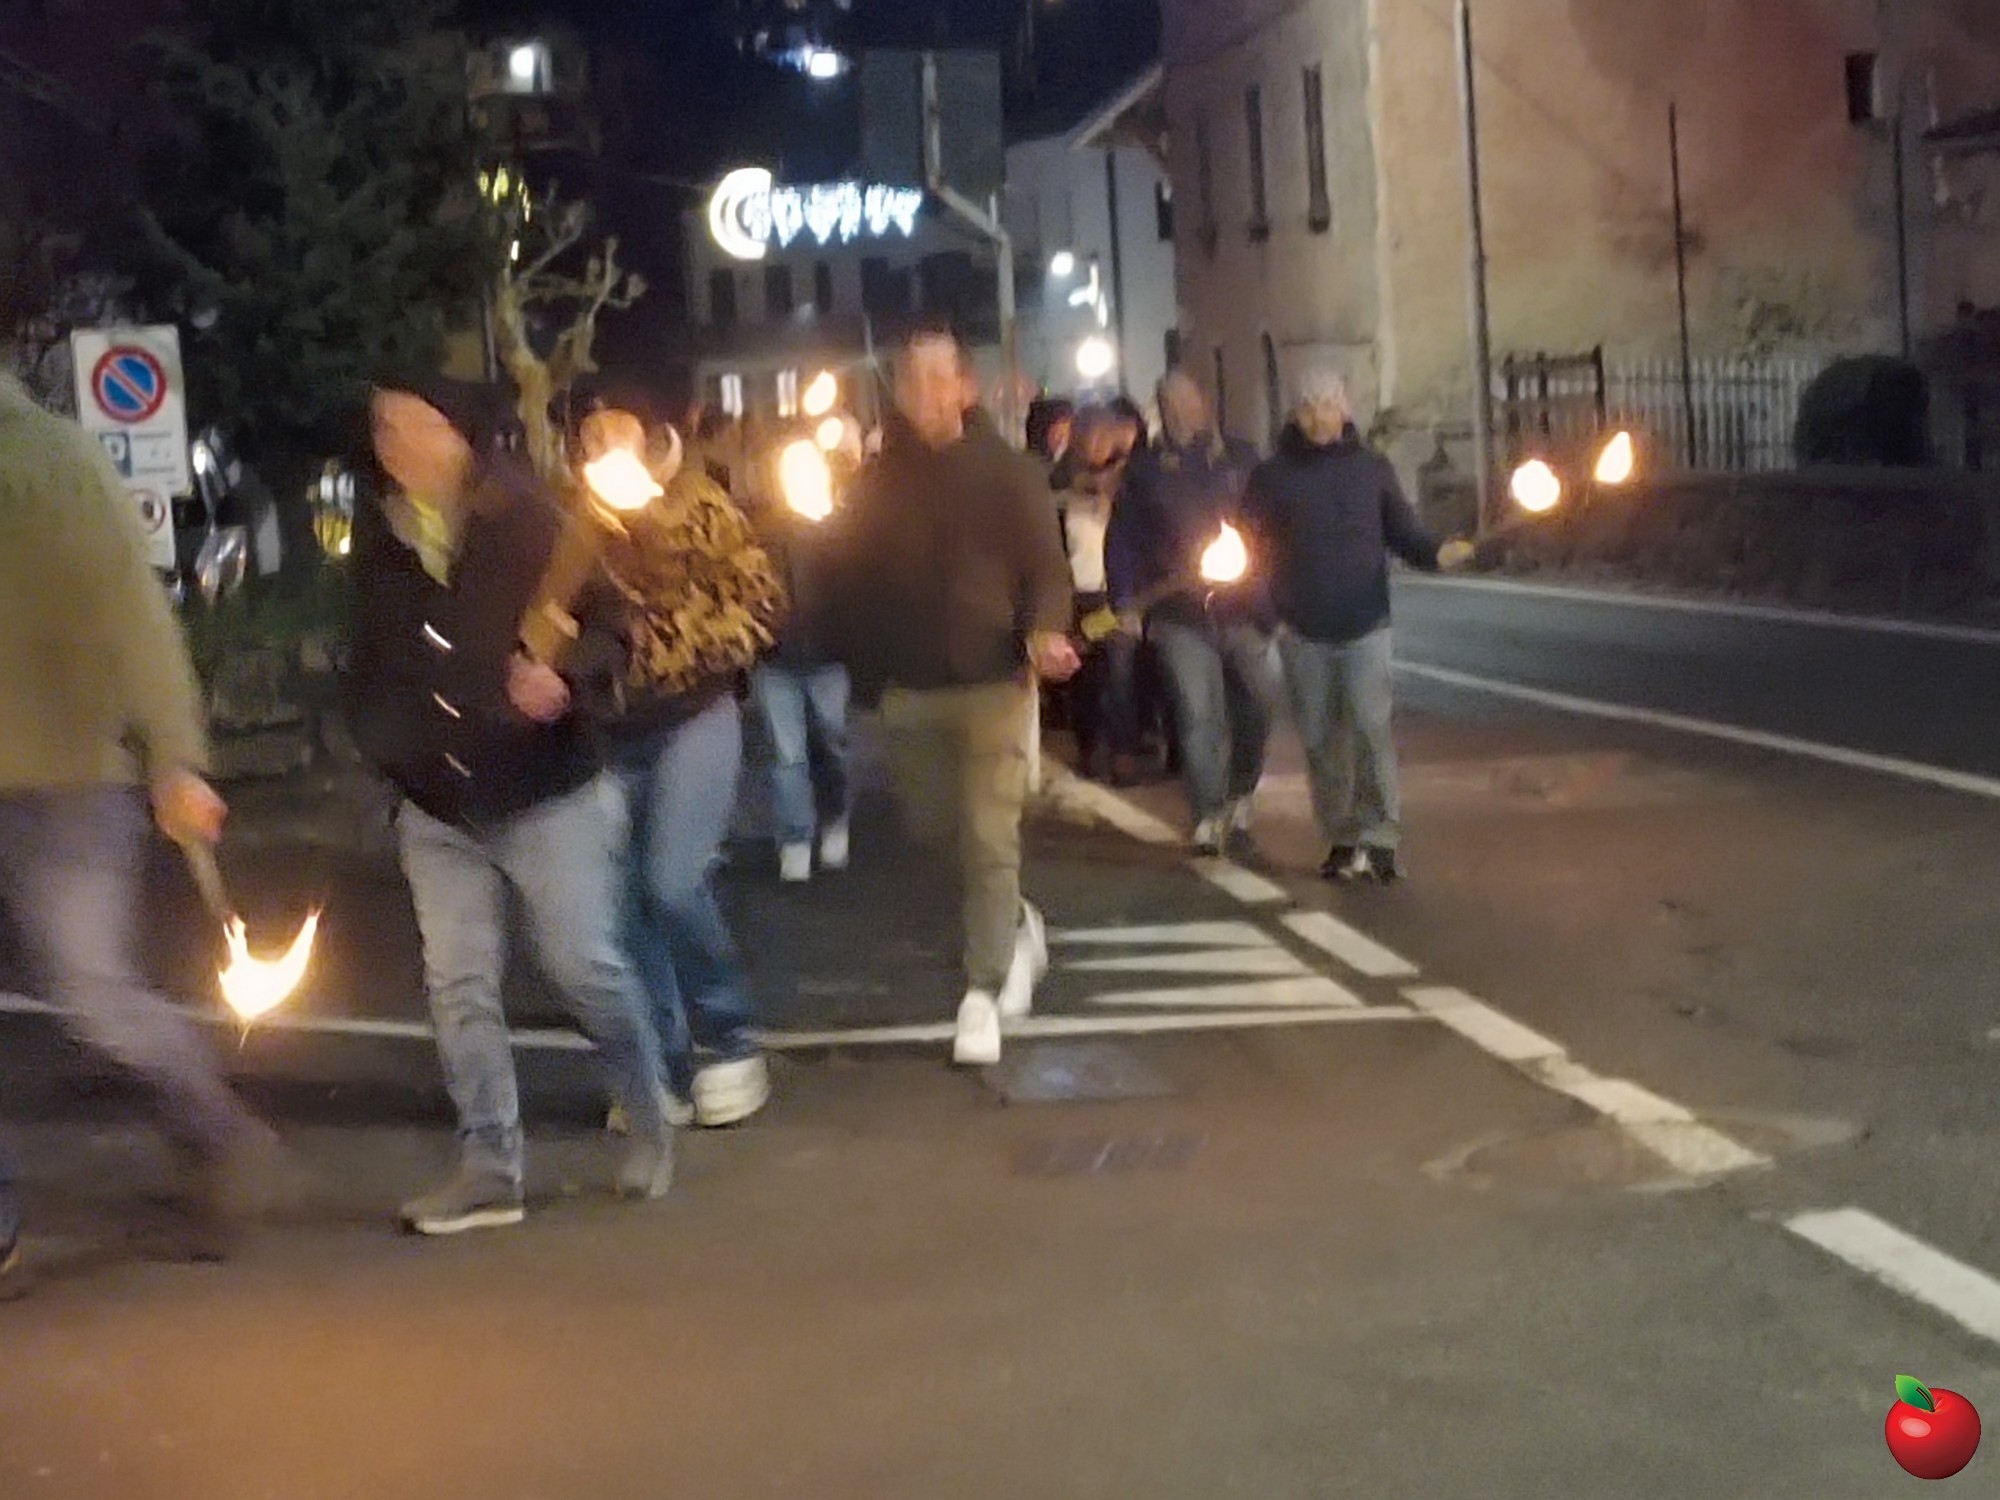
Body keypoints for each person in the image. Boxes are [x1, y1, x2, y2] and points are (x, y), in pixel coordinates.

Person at [344, 376, 676, 1235]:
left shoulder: (531, 521)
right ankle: (490, 1165)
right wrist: (392, 753)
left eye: (415, 423)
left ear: (459, 433)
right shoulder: (380, 541)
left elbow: (613, 628)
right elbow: (364, 663)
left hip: (545, 790)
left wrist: (566, 683)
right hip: (437, 805)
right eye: (384, 427)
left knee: (583, 969)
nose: (396, 442)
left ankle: (647, 1111)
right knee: (458, 985)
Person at [0, 373, 277, 1287]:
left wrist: (174, 756)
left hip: (63, 776)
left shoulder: (51, 460)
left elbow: (135, 616)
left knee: (95, 994)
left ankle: (216, 1131)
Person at [834, 327, 1079, 1066]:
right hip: (910, 687)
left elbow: (1047, 568)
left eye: (938, 378)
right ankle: (1015, 924)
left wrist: (1043, 633)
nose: (924, 393)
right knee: (935, 830)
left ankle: (983, 989)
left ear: (966, 387)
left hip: (993, 681)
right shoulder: (879, 478)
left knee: (989, 835)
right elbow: (853, 571)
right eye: (911, 379)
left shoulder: (1008, 472)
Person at [578, 410, 786, 1127]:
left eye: (618, 435)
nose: (604, 449)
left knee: (671, 880)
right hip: (609, 731)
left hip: (693, 714)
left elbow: (760, 602)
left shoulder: (698, 505)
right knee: (623, 903)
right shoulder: (575, 523)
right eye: (591, 439)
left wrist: (677, 649)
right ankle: (658, 1063)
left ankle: (729, 1036)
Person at [1244, 370, 1471, 882]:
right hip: (1302, 629)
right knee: (1322, 740)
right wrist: (1268, 613)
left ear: (1345, 410)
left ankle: (1381, 836)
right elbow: (1248, 549)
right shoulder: (1271, 477)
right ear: (1295, 415)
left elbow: (1403, 532)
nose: (1319, 417)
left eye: (1328, 405)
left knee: (1371, 729)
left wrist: (1436, 552)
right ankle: (1342, 838)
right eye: (1309, 407)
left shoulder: (1372, 469)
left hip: (1366, 623)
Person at [1106, 369, 1275, 855]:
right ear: (1161, 408)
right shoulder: (1146, 470)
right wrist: (1126, 601)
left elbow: (1272, 526)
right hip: (1180, 615)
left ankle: (1241, 791)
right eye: (1169, 401)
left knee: (1259, 702)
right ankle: (1207, 814)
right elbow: (1124, 540)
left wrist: (1274, 595)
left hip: (1243, 610)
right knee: (1197, 714)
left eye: (1187, 399)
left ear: (1203, 401)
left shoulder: (1239, 459)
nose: (1181, 409)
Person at [747, 430, 855, 885]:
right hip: (777, 658)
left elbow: (856, 590)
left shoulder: (840, 526)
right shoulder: (763, 529)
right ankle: (795, 837)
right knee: (786, 754)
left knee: (831, 743)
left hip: (828, 653)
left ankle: (834, 820)